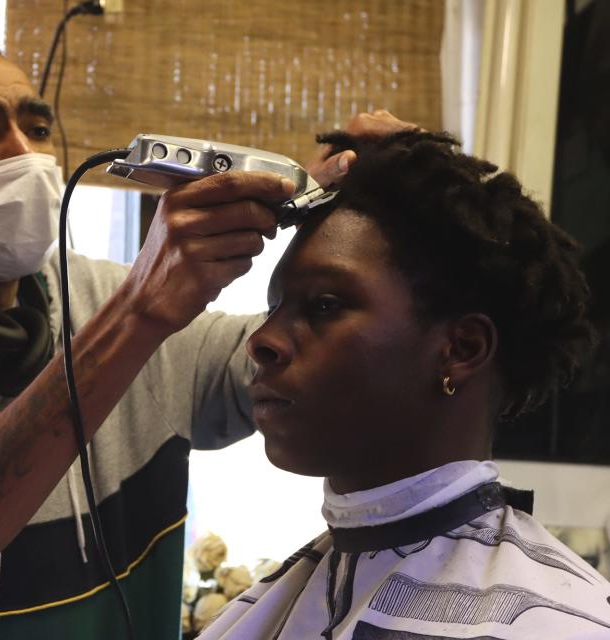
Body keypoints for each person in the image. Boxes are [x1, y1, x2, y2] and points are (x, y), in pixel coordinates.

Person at [0, 33, 381, 639]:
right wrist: (136, 314)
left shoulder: (111, 299)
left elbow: (312, 372)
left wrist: (394, 208)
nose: (24, 154)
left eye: (35, 128)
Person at [198, 129, 610, 639]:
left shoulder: (555, 625)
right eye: (274, 307)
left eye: (324, 306)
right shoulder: (252, 613)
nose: (260, 340)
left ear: (461, 349)